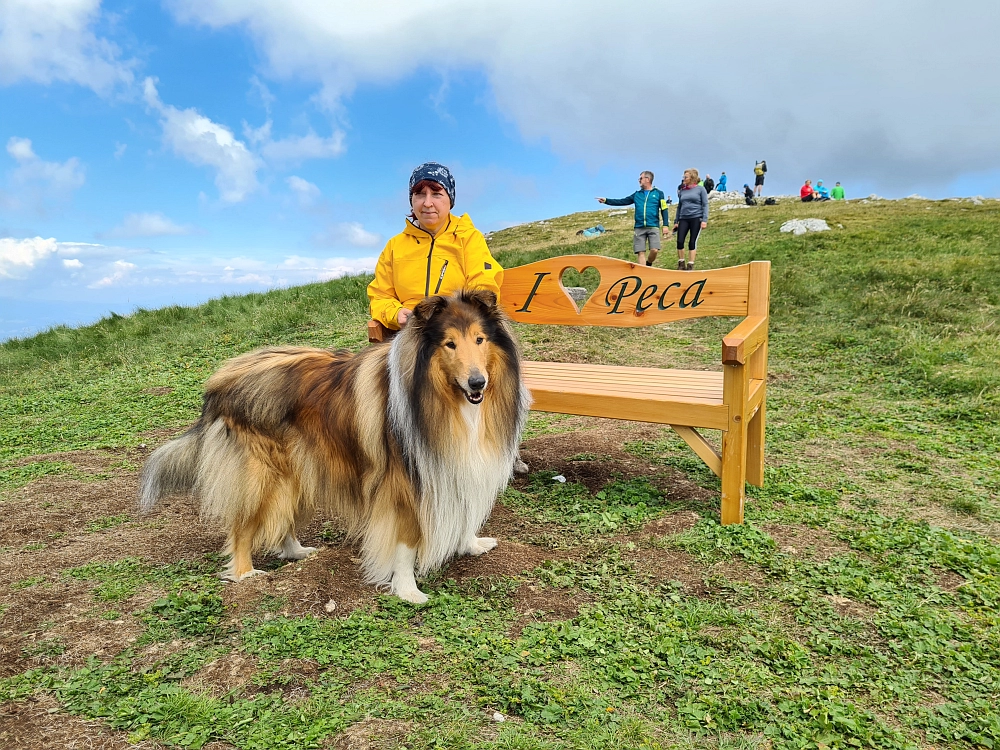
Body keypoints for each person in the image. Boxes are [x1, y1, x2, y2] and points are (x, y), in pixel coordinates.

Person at [368, 162, 503, 332]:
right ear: (412, 200)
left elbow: (483, 285)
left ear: (450, 200)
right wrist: (396, 314)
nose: (427, 203)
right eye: (420, 194)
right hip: (410, 334)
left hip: (458, 330)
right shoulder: (394, 246)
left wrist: (451, 315)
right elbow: (380, 295)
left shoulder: (468, 238)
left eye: (437, 194)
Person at [597, 171, 670, 267]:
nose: (639, 180)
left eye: (641, 178)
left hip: (653, 226)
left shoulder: (659, 193)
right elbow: (622, 201)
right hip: (639, 227)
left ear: (647, 179)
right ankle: (644, 274)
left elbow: (664, 209)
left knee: (654, 250)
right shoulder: (637, 194)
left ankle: (648, 264)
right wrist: (606, 201)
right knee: (641, 252)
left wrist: (665, 225)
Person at [673, 168, 709, 271]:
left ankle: (690, 265)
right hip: (683, 218)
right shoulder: (682, 190)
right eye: (683, 176)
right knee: (680, 241)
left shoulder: (700, 189)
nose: (683, 178)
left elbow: (705, 204)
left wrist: (704, 220)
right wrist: (676, 221)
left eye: (686, 177)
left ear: (692, 178)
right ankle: (681, 263)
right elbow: (679, 206)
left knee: (692, 242)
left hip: (696, 218)